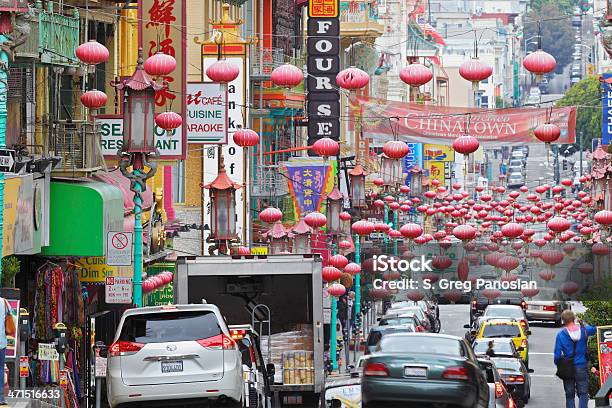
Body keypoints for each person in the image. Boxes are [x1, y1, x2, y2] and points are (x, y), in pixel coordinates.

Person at [554, 309, 597, 408]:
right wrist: (583, 322)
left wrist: (560, 365)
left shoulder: (561, 335)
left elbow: (557, 355)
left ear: (563, 321)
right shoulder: (584, 330)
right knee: (583, 393)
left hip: (568, 368)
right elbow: (594, 328)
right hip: (581, 366)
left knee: (569, 395)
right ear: (574, 319)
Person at [0, 296, 11, 405]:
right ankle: (1, 398)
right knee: (1, 368)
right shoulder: (4, 301)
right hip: (1, 342)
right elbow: (10, 314)